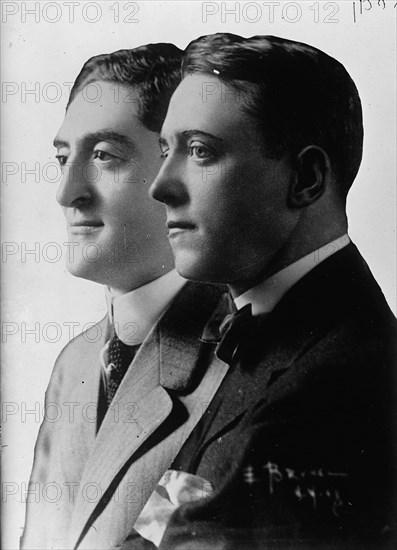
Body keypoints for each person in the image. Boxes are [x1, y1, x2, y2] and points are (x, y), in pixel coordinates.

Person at [149, 33, 397, 549]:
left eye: (199, 151)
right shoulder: (257, 326)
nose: (160, 185)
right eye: (164, 150)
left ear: (305, 178)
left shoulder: (332, 384)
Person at [21, 45, 230, 550]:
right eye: (62, 158)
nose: (67, 191)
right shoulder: (73, 364)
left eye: (103, 156)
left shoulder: (243, 356)